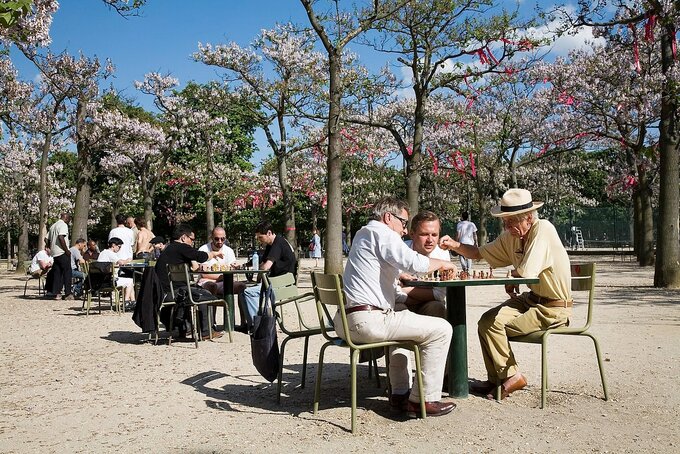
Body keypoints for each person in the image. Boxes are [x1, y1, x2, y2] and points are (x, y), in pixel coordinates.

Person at [440, 188, 572, 400]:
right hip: (531, 299)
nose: (506, 227)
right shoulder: (511, 236)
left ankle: (513, 375)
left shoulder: (543, 229)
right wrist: (454, 245)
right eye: (504, 221)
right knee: (486, 321)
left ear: (529, 218)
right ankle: (496, 378)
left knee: (495, 326)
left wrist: (513, 274)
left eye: (511, 221)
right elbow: (479, 253)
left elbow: (527, 272)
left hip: (553, 308)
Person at [339, 197, 457, 418]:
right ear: (388, 218)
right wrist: (444, 263)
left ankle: (400, 394)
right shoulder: (381, 233)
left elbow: (392, 290)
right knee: (442, 329)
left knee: (401, 314)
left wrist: (398, 276)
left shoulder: (363, 234)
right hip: (369, 321)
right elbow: (417, 263)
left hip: (346, 320)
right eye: (403, 223)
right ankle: (425, 399)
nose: (404, 230)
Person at [154, 224, 224, 340]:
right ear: (183, 237)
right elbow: (201, 256)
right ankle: (206, 331)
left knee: (193, 290)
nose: (192, 243)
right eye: (191, 239)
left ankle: (186, 329)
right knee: (204, 294)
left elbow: (193, 265)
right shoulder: (181, 247)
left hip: (163, 293)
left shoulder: (170, 249)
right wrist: (215, 253)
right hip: (174, 294)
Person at [239, 220, 296, 328]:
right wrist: (244, 267)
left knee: (247, 293)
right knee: (242, 291)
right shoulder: (272, 244)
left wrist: (258, 278)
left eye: (260, 237)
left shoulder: (278, 243)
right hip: (276, 282)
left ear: (269, 233)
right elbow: (261, 263)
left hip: (282, 284)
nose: (259, 240)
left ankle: (258, 326)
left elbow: (265, 267)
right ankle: (250, 324)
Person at [397, 210, 450, 318]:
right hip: (402, 302)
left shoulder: (442, 254)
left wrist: (404, 289)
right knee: (397, 309)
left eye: (434, 235)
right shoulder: (400, 249)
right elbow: (391, 289)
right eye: (424, 234)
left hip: (428, 304)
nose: (430, 240)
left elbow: (439, 295)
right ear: (412, 234)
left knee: (437, 307)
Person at [197, 226, 238, 296]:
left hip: (225, 281)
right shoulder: (203, 249)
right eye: (217, 239)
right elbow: (204, 274)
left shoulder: (229, 251)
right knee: (212, 286)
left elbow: (232, 270)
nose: (220, 241)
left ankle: (230, 306)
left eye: (222, 239)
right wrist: (222, 277)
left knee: (241, 286)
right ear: (212, 237)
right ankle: (212, 306)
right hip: (207, 281)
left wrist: (236, 267)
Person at [97, 237, 135, 306]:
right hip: (108, 281)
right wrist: (128, 260)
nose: (119, 249)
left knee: (127, 281)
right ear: (113, 245)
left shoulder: (103, 253)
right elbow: (121, 262)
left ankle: (132, 301)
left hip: (99, 280)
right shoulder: (110, 253)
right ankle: (126, 302)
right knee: (130, 281)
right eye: (119, 247)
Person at [46, 213, 74, 300]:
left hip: (55, 253)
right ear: (65, 218)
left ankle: (57, 293)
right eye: (69, 219)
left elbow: (46, 238)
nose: (69, 221)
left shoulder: (53, 226)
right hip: (62, 252)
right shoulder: (63, 225)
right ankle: (68, 293)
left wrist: (50, 247)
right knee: (67, 272)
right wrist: (67, 250)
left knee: (57, 273)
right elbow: (61, 237)